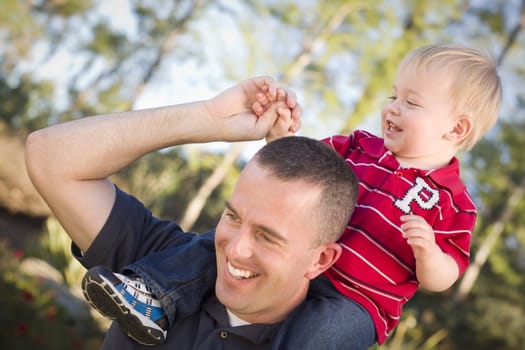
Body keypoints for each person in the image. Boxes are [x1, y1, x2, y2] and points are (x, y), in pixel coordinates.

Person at [78, 43, 502, 349]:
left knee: (320, 339)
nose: (392, 107)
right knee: (215, 245)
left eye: (411, 102)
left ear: (457, 129)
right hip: (293, 262)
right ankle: (154, 296)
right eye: (393, 95)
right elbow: (296, 169)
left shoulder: (452, 202)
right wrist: (279, 136)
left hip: (356, 301)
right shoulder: (360, 146)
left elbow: (445, 276)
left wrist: (428, 253)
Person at [24, 77, 362, 349]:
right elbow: (49, 157)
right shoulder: (162, 268)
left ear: (320, 260)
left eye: (266, 236)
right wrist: (208, 118)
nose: (234, 248)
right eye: (233, 217)